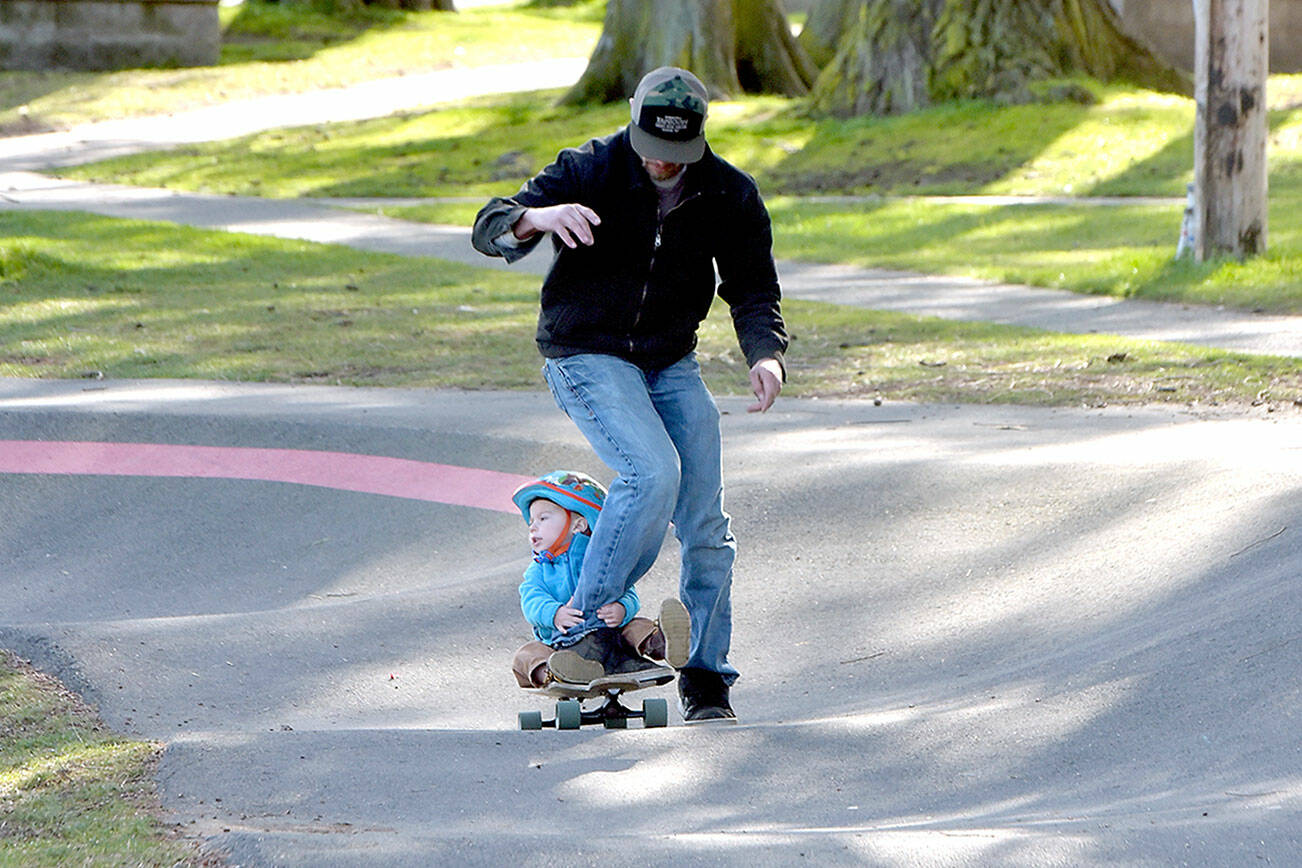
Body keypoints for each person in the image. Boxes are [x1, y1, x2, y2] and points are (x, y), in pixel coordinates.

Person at [473, 66, 788, 723]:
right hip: (586, 354)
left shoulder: (728, 193)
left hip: (669, 361)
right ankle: (586, 629)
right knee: (651, 470)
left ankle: (705, 678)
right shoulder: (590, 167)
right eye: (649, 149)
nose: (659, 164)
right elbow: (490, 226)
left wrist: (766, 355)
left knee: (706, 526)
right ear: (632, 120)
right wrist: (539, 216)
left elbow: (753, 284)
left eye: (675, 156)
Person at [509, 471, 691, 688]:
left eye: (543, 518)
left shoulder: (600, 561)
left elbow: (627, 590)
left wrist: (622, 608)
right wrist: (554, 613)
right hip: (561, 643)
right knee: (526, 655)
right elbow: (531, 599)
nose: (532, 527)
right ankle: (556, 671)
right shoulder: (539, 569)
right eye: (531, 521)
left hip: (611, 636)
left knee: (635, 626)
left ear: (578, 525)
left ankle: (662, 643)